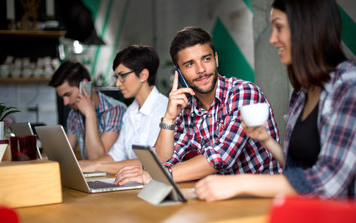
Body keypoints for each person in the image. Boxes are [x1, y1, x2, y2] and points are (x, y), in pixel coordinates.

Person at [195, 0, 355, 201]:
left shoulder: (349, 85)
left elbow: (328, 181)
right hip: (303, 216)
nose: (272, 39)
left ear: (307, 26)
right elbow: (297, 170)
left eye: (279, 27)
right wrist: (266, 140)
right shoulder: (303, 91)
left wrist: (240, 182)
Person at [114, 26, 281, 185]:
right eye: (189, 64)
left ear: (215, 60)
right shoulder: (187, 109)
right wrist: (169, 118)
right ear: (178, 72)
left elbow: (220, 157)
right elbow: (163, 161)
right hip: (221, 198)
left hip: (266, 197)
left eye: (206, 59)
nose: (201, 69)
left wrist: (160, 175)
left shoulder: (243, 93)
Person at [78, 45, 168, 173]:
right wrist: (82, 164)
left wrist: (97, 166)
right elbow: (116, 155)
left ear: (143, 75)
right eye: (117, 77)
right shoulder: (130, 111)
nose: (117, 83)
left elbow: (152, 161)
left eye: (122, 76)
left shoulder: (163, 109)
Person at [49, 61, 126, 160]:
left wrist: (90, 115)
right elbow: (65, 153)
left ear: (84, 85)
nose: (65, 102)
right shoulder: (74, 113)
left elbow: (97, 159)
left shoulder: (115, 110)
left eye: (68, 95)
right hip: (89, 174)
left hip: (110, 175)